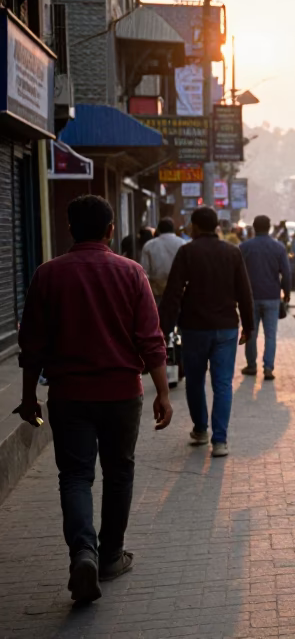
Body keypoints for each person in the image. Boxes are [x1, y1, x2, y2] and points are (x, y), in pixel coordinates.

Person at [17, 195, 173, 603]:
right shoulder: (131, 272)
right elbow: (150, 339)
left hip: (69, 396)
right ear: (109, 231)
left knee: (74, 477)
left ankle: (83, 553)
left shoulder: (47, 275)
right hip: (122, 394)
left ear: (70, 229)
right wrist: (163, 392)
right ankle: (111, 556)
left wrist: (28, 396)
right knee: (119, 473)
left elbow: (31, 344)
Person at [160, 207, 254, 458]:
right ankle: (220, 441)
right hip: (226, 328)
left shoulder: (187, 252)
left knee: (195, 380)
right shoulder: (232, 252)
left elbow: (173, 295)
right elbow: (244, 292)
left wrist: (162, 329)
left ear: (195, 226)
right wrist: (249, 325)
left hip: (194, 328)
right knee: (223, 383)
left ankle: (201, 430)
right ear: (215, 226)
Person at [239, 215, 292, 380]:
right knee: (270, 335)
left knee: (250, 332)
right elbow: (287, 273)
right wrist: (287, 292)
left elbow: (237, 273)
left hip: (250, 297)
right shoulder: (278, 247)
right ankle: (268, 368)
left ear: (254, 227)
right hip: (272, 296)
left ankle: (251, 366)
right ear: (269, 228)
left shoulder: (244, 247)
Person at [139, 218, 187, 300]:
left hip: (156, 292)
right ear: (173, 229)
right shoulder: (183, 244)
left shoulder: (149, 245)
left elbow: (144, 272)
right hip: (179, 291)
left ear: (159, 230)